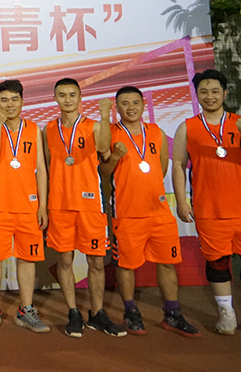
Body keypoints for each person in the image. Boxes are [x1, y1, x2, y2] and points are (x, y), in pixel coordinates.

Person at [172, 69, 241, 340]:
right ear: (197, 95)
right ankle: (226, 314)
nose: (210, 96)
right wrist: (182, 201)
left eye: (215, 91)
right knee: (217, 263)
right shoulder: (187, 127)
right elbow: (179, 165)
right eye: (204, 92)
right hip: (209, 210)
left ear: (225, 93)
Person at [102, 86, 200, 337]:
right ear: (117, 107)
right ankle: (131, 312)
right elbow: (103, 172)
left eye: (135, 102)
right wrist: (115, 156)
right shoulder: (111, 133)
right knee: (126, 265)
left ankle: (172, 314)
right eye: (125, 103)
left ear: (143, 105)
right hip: (127, 213)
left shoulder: (156, 133)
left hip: (159, 213)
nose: (131, 107)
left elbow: (161, 168)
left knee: (167, 263)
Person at [43, 78, 124, 337]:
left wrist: (104, 115)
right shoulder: (48, 129)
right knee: (65, 260)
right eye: (62, 95)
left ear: (80, 98)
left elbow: (102, 148)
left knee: (97, 261)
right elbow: (47, 165)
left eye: (72, 95)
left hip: (90, 204)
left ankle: (97, 313)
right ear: (55, 98)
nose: (67, 100)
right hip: (60, 204)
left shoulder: (93, 126)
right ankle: (73, 312)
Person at [0, 79, 50, 335]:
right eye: (4, 100)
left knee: (27, 258)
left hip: (28, 207)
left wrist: (43, 205)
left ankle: (26, 310)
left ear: (22, 101)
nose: (9, 104)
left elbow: (41, 169)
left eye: (14, 99)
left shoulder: (34, 129)